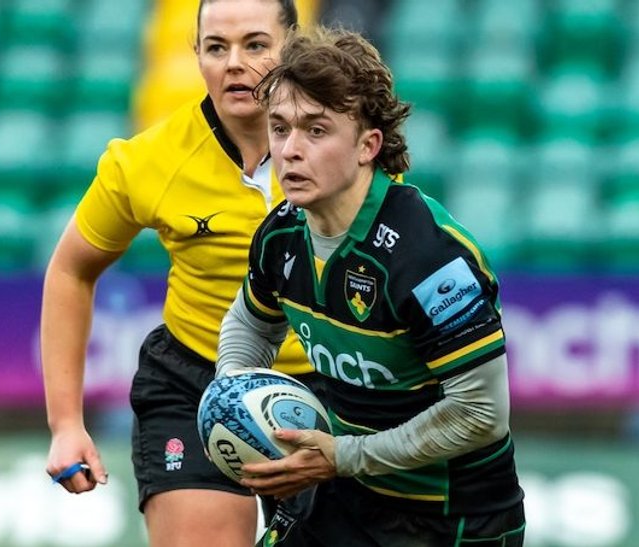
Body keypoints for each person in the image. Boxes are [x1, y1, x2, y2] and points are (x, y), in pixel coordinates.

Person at [215, 26, 526, 546]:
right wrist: (235, 393)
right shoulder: (280, 235)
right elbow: (249, 322)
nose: (290, 150)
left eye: (316, 131)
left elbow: (481, 414)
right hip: (345, 496)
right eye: (280, 128)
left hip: (451, 517)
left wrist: (342, 456)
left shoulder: (430, 258)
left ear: (367, 145)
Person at [40, 1, 312, 546]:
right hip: (196, 383)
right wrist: (65, 424)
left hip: (327, 392)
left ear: (293, 48)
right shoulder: (145, 162)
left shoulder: (350, 150)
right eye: (216, 48)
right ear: (197, 56)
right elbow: (71, 271)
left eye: (255, 45)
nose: (235, 63)